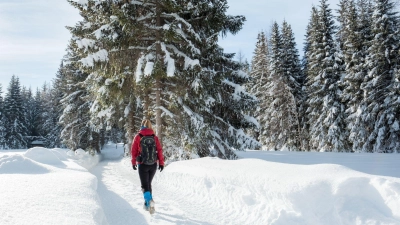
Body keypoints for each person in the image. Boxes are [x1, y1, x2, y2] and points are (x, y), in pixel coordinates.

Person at [131, 119, 164, 213]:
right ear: (150, 126)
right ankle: (149, 206)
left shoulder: (138, 136)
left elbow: (133, 151)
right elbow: (160, 150)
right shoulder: (154, 137)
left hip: (142, 164)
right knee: (148, 184)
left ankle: (149, 201)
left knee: (145, 186)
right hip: (153, 164)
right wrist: (161, 163)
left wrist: (133, 162)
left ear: (141, 125)